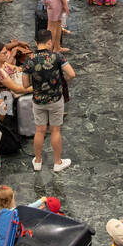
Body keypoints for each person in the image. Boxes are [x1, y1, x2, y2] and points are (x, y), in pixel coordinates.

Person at [23, 27, 74, 172]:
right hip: (56, 100)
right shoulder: (57, 57)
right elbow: (72, 74)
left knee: (39, 130)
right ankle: (57, 162)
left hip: (38, 100)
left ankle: (38, 161)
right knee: (55, 130)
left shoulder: (29, 60)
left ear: (35, 42)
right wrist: (63, 81)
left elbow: (25, 84)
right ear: (49, 42)